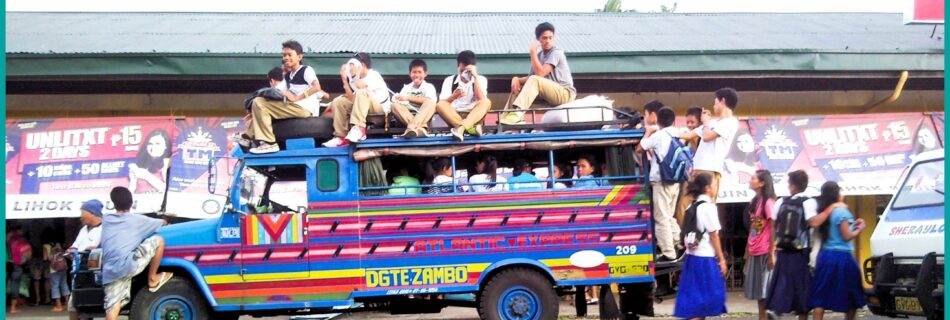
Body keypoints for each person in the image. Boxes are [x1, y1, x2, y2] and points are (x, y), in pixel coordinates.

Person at [101, 187, 172, 320]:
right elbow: (163, 224)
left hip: (109, 271)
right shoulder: (138, 220)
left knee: (112, 306)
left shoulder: (106, 220)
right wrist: (164, 217)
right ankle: (153, 278)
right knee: (159, 240)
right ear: (131, 202)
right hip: (128, 265)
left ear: (113, 203)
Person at [245, 40, 328, 154]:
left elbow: (317, 87)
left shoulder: (305, 70)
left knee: (260, 103)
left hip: (304, 108)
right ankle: (248, 137)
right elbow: (277, 92)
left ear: (299, 57)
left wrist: (296, 98)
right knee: (259, 101)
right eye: (284, 55)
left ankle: (269, 143)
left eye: (290, 55)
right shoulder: (289, 76)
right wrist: (253, 111)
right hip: (294, 107)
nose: (286, 58)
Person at [677, 88, 739, 222]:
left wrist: (705, 123)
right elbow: (688, 135)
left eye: (715, 102)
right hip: (698, 169)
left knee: (706, 207)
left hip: (711, 170)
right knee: (684, 205)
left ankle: (704, 237)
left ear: (723, 101)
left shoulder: (731, 122)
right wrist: (666, 132)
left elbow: (707, 137)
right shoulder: (713, 123)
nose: (714, 105)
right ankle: (686, 237)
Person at [766, 170, 820, 319]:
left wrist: (772, 250)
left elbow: (773, 226)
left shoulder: (780, 201)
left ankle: (777, 310)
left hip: (782, 249)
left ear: (793, 186)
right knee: (801, 290)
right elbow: (813, 223)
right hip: (800, 251)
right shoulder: (809, 202)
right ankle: (799, 314)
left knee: (782, 283)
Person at [673, 172, 728, 319]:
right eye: (715, 185)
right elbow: (714, 235)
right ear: (708, 188)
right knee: (709, 298)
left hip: (692, 257)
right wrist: (721, 258)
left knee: (696, 298)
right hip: (705, 258)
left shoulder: (692, 206)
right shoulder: (708, 207)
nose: (716, 188)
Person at [809, 181, 867, 320]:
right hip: (843, 257)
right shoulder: (842, 211)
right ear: (836, 194)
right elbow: (846, 236)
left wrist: (853, 224)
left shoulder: (823, 212)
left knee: (820, 294)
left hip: (825, 256)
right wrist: (859, 228)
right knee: (853, 293)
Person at [501, 22, 575, 125]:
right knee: (517, 88)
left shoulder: (556, 53)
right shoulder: (539, 56)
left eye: (550, 37)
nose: (548, 41)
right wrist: (516, 79)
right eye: (544, 38)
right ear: (538, 40)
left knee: (535, 79)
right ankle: (504, 120)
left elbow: (540, 74)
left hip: (565, 94)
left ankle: (517, 114)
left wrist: (532, 52)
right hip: (548, 95)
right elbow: (531, 79)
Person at [406, 50, 490, 141]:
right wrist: (453, 96)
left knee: (486, 102)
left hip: (474, 117)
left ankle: (462, 128)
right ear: (458, 67)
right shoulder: (449, 80)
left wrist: (475, 77)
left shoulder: (481, 79)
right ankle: (467, 129)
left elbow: (480, 99)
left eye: (467, 71)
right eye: (462, 71)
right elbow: (442, 103)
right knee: (440, 105)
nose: (464, 74)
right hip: (454, 116)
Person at [637, 105, 681, 262]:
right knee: (669, 215)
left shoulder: (659, 135)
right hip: (676, 179)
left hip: (661, 180)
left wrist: (648, 131)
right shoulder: (677, 133)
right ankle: (679, 242)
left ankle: (669, 253)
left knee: (661, 217)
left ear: (658, 119)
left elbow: (639, 148)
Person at [323, 52, 392, 147]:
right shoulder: (355, 79)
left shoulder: (373, 75)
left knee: (361, 92)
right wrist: (344, 79)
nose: (351, 68)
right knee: (339, 101)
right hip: (365, 111)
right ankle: (341, 137)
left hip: (379, 113)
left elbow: (360, 87)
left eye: (353, 65)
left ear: (362, 65)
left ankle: (359, 129)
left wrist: (354, 75)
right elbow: (352, 99)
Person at [744, 170, 776, 320]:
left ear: (762, 183)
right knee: (758, 291)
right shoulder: (754, 202)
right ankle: (763, 316)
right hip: (755, 249)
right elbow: (754, 227)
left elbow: (774, 227)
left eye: (753, 178)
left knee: (764, 290)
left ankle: (769, 314)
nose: (750, 180)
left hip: (765, 249)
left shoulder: (769, 203)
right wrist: (747, 248)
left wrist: (771, 253)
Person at [67, 199, 104, 320]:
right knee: (74, 306)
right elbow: (75, 245)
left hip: (92, 275)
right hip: (78, 272)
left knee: (80, 306)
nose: (81, 216)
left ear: (92, 213)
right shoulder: (84, 229)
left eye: (83, 212)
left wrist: (95, 249)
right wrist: (71, 250)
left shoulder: (105, 229)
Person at [390, 59, 439, 138]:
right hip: (408, 115)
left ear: (425, 74)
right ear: (410, 74)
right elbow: (400, 104)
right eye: (414, 72)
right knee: (394, 105)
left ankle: (412, 127)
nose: (416, 75)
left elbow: (427, 101)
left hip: (424, 117)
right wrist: (397, 98)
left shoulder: (429, 87)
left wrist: (407, 98)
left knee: (431, 103)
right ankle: (421, 128)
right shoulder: (406, 88)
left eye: (419, 72)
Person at [128, 129, 171, 193]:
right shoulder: (140, 164)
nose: (153, 147)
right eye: (150, 144)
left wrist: (147, 176)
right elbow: (132, 189)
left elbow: (169, 189)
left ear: (165, 146)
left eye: (157, 144)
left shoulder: (167, 163)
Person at [7, 225, 32, 314]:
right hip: (18, 265)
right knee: (15, 285)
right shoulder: (21, 240)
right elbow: (28, 252)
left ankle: (13, 306)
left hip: (11, 263)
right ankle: (13, 308)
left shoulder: (10, 240)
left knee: (11, 284)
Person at [48, 242, 69, 312]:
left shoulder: (48, 247)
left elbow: (47, 258)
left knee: (55, 286)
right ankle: (68, 304)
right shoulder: (60, 248)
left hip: (54, 270)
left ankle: (59, 306)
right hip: (63, 268)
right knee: (64, 284)